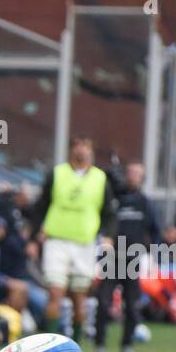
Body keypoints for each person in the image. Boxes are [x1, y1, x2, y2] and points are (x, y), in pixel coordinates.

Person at [31, 136, 117, 340]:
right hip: (57, 241)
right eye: (78, 146)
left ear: (91, 151)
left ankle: (75, 343)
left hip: (84, 244)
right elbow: (41, 206)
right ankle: (49, 343)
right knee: (55, 293)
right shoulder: (57, 174)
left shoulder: (100, 178)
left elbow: (110, 213)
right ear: (71, 150)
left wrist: (109, 237)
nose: (81, 150)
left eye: (86, 146)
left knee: (80, 297)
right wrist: (34, 237)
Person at [96, 161, 160, 352]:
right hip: (112, 257)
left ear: (142, 178)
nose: (132, 176)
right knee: (103, 301)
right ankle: (99, 343)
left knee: (132, 305)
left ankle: (127, 344)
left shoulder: (145, 202)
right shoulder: (115, 198)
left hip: (132, 259)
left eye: (137, 173)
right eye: (130, 172)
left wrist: (152, 253)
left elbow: (154, 230)